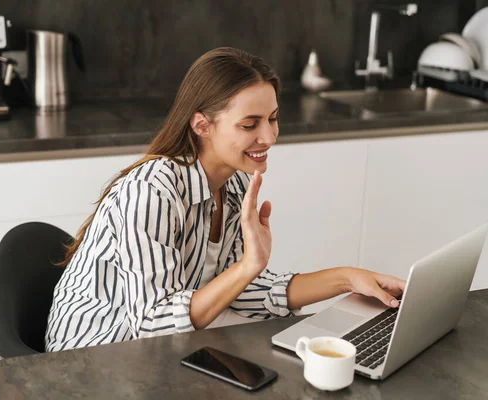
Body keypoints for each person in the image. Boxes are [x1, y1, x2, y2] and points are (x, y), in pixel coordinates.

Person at [45, 47, 405, 352]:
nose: (269, 136)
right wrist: (249, 265)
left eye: (273, 119)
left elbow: (236, 293)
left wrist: (348, 278)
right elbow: (155, 323)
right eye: (250, 125)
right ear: (202, 125)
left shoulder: (232, 185)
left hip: (161, 347)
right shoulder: (153, 191)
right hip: (93, 355)